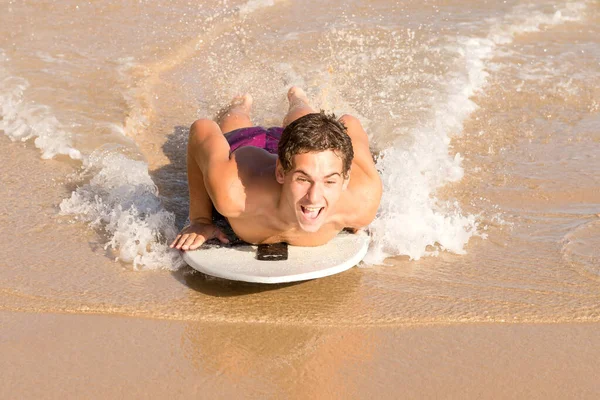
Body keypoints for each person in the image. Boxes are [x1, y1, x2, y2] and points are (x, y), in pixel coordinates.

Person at [170, 87, 382, 251]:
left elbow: (348, 123)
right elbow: (202, 130)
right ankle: (240, 103)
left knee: (309, 122)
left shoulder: (362, 203)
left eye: (329, 181)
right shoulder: (235, 194)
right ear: (280, 173)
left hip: (302, 157)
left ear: (345, 180)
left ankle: (297, 98)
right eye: (303, 180)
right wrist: (201, 219)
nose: (314, 197)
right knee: (235, 120)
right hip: (247, 147)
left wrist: (351, 219)